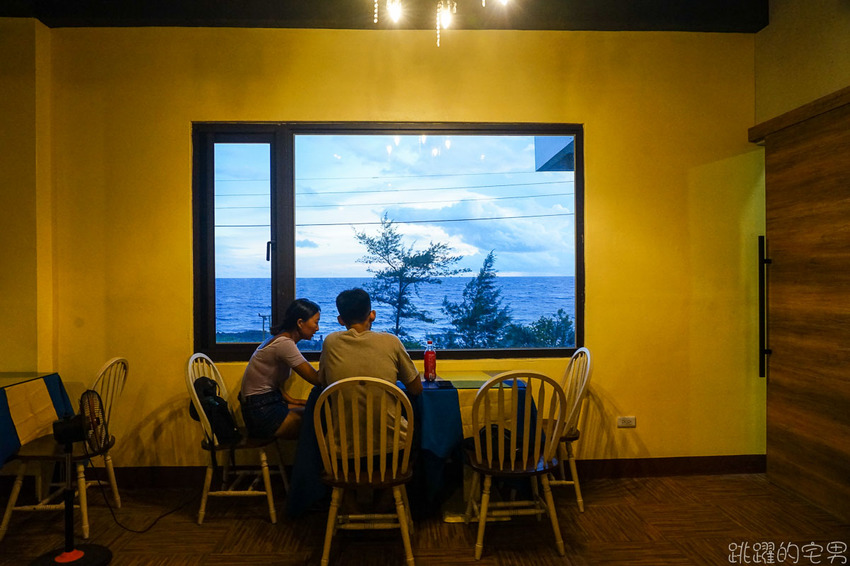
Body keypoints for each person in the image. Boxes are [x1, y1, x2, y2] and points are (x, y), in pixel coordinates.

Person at [240, 298, 322, 440]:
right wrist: (332, 357)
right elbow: (316, 379)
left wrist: (291, 399)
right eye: (316, 322)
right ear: (300, 323)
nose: (318, 328)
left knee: (315, 411)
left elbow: (269, 379)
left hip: (261, 404)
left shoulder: (279, 339)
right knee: (319, 421)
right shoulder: (284, 344)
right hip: (261, 413)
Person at [318, 288, 423, 396]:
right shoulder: (391, 342)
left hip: (340, 408)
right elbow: (416, 389)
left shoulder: (330, 342)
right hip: (386, 408)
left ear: (340, 320)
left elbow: (323, 382)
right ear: (372, 315)